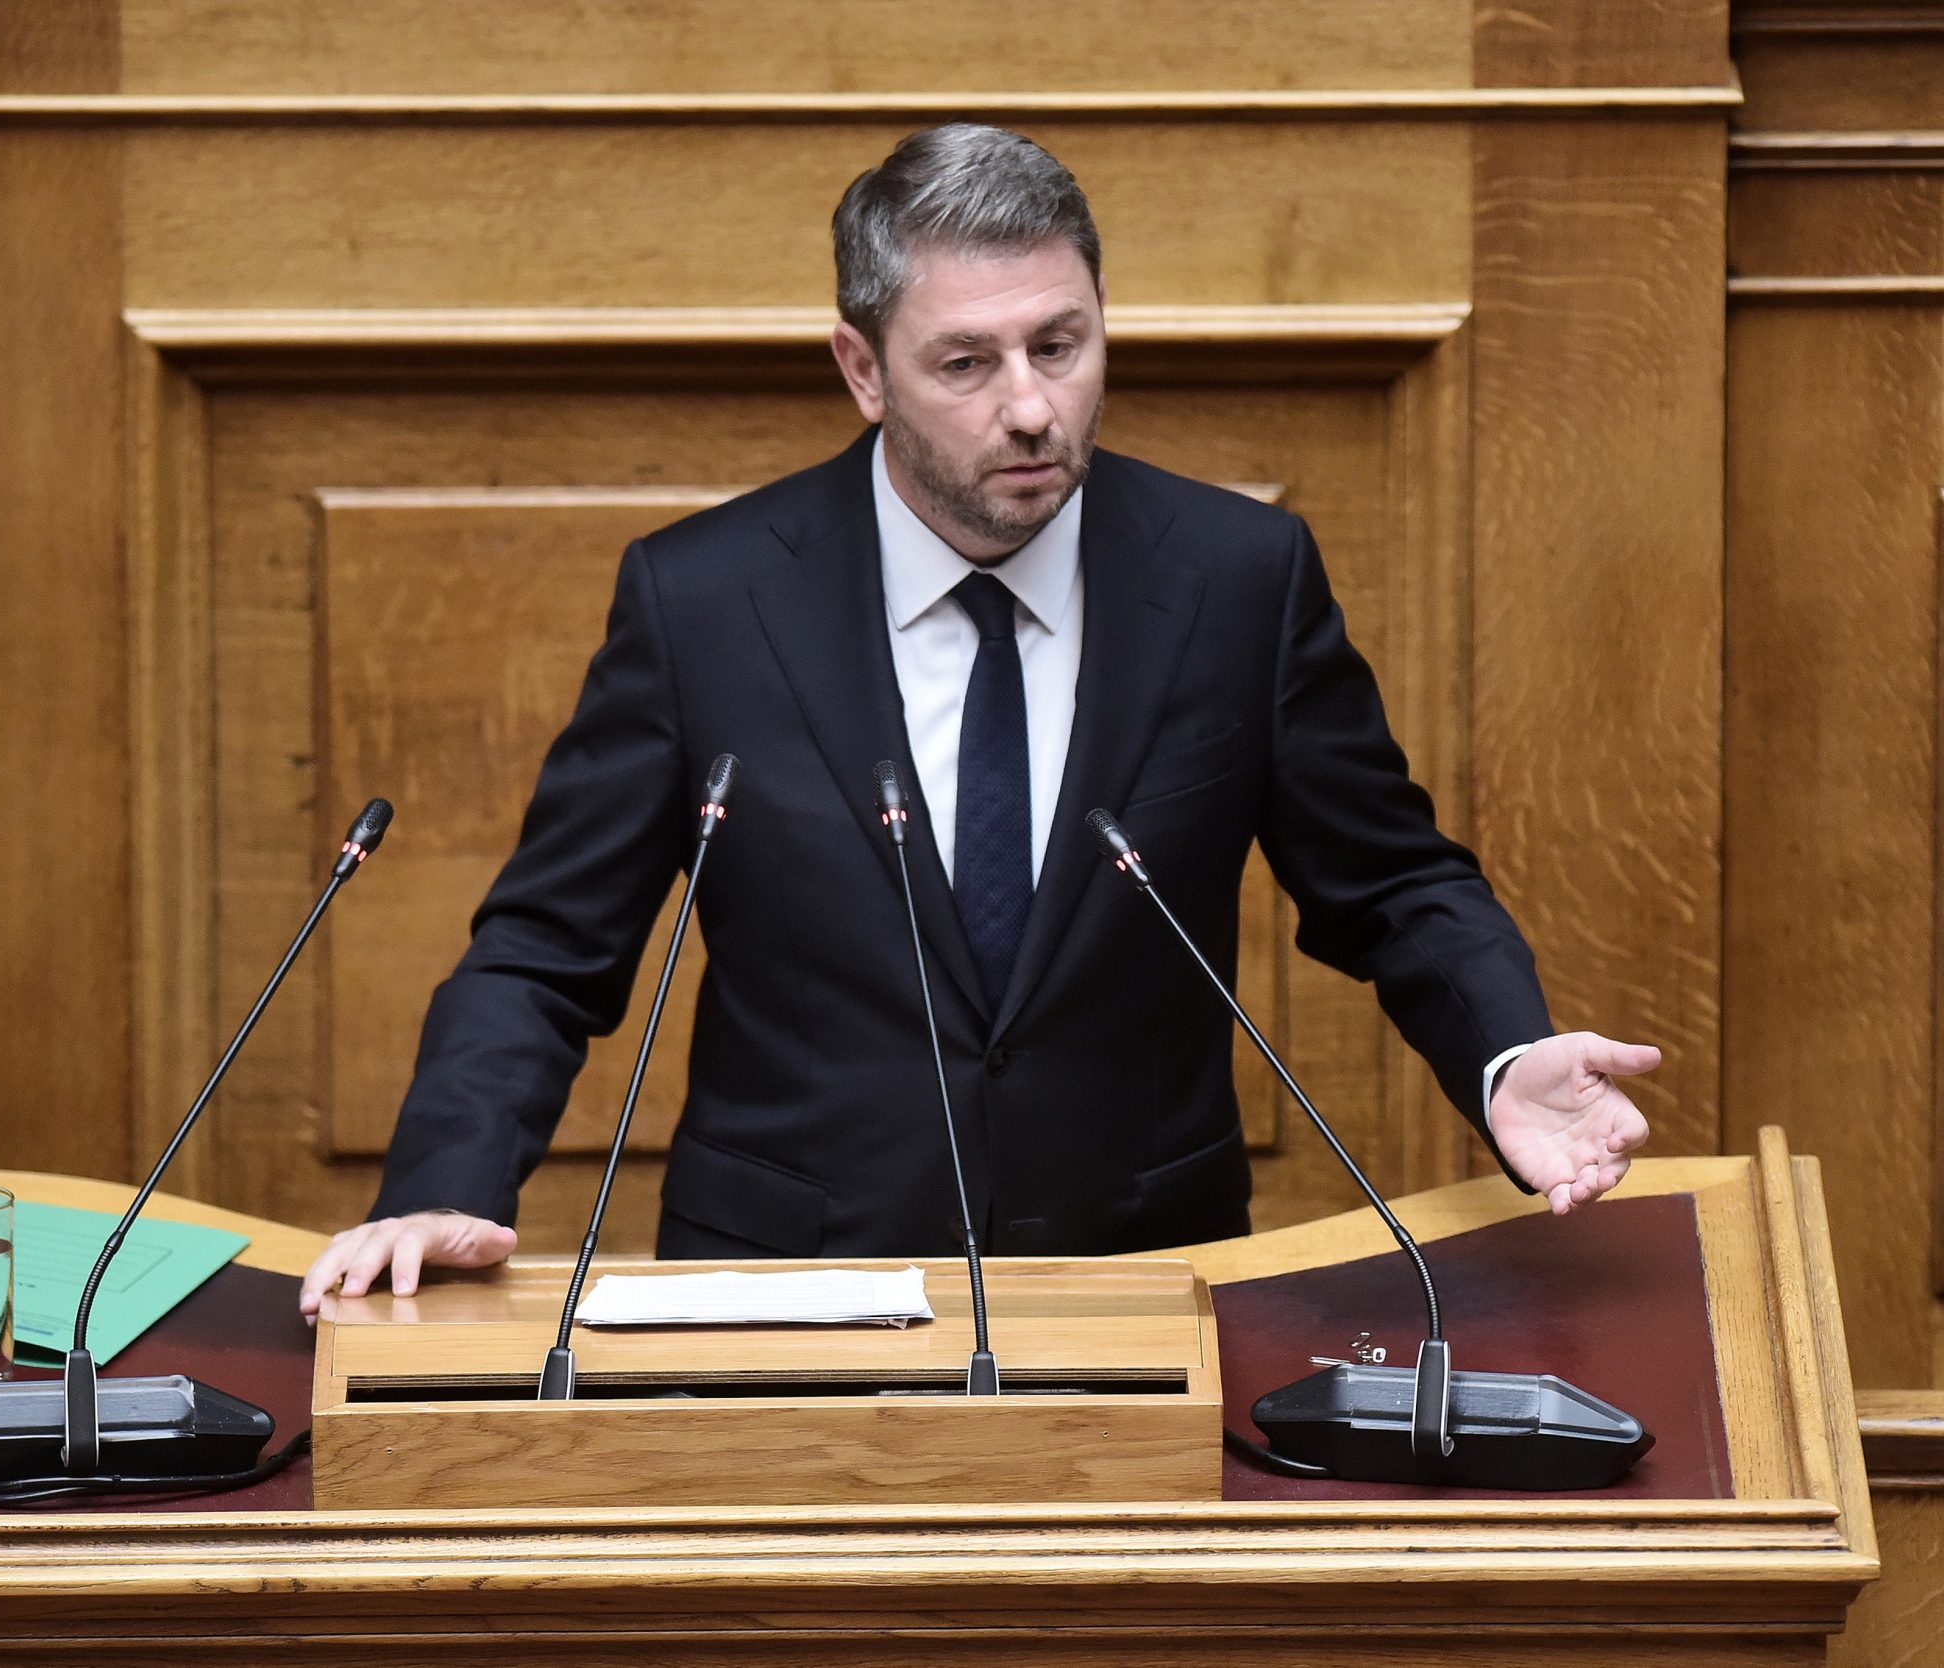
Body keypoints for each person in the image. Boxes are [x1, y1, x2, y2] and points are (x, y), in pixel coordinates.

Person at [300, 123, 1656, 1318]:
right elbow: (547, 949)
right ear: (863, 368)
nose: (1030, 407)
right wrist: (441, 1189)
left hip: (1138, 1279)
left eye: (1060, 346)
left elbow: (1394, 883)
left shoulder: (1236, 581)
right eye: (966, 361)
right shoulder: (703, 602)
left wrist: (1503, 1051)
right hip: (786, 1291)